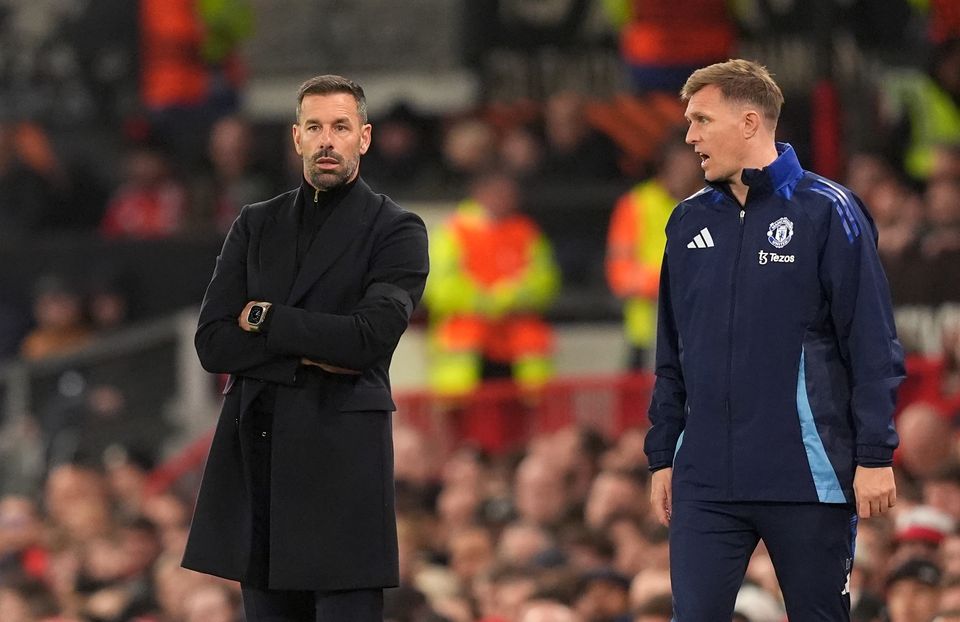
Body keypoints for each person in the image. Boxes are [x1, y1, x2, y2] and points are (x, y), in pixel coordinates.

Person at [644, 59, 904, 620]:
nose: (689, 137)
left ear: (749, 122)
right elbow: (671, 352)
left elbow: (872, 342)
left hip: (807, 476)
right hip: (706, 481)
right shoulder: (686, 223)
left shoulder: (828, 211)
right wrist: (663, 454)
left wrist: (875, 454)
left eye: (701, 120)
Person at [180, 74, 430, 622]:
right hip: (261, 458)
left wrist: (265, 318)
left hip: (342, 465)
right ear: (296, 138)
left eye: (340, 127)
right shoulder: (255, 224)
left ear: (364, 137)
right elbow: (214, 342)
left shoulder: (396, 230)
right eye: (314, 126)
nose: (326, 140)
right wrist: (315, 345)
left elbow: (366, 340)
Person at [423, 170, 560, 395]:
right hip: (466, 352)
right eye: (499, 192)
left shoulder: (526, 232)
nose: (506, 199)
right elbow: (438, 286)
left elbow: (545, 281)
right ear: (480, 192)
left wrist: (510, 297)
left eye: (510, 194)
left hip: (519, 353)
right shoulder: (453, 231)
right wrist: (486, 301)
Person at [605, 135, 703, 369]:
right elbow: (619, 275)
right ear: (664, 164)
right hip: (647, 334)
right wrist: (675, 279)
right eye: (677, 163)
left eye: (689, 164)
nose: (683, 171)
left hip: (702, 331)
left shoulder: (713, 204)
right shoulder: (635, 204)